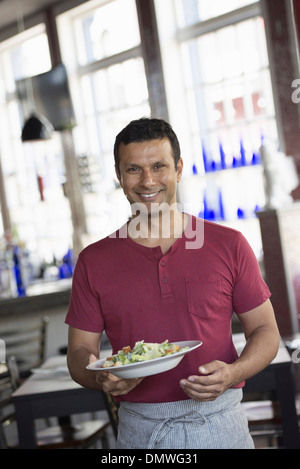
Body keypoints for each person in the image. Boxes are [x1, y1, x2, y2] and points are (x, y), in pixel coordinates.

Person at [65, 117, 280, 449]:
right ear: (119, 176)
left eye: (159, 166)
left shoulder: (229, 244)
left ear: (178, 168)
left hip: (222, 424)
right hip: (141, 433)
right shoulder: (93, 261)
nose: (148, 181)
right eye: (134, 169)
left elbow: (266, 331)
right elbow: (80, 351)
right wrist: (97, 376)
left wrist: (233, 374)